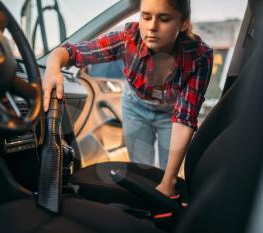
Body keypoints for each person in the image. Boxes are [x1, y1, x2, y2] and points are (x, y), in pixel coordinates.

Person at [42, 0, 213, 197]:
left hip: (172, 113)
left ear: (183, 23)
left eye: (164, 19)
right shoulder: (128, 38)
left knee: (168, 173)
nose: (152, 27)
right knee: (143, 169)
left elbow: (185, 116)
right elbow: (73, 52)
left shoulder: (200, 56)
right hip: (135, 107)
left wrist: (169, 182)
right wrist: (53, 66)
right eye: (146, 17)